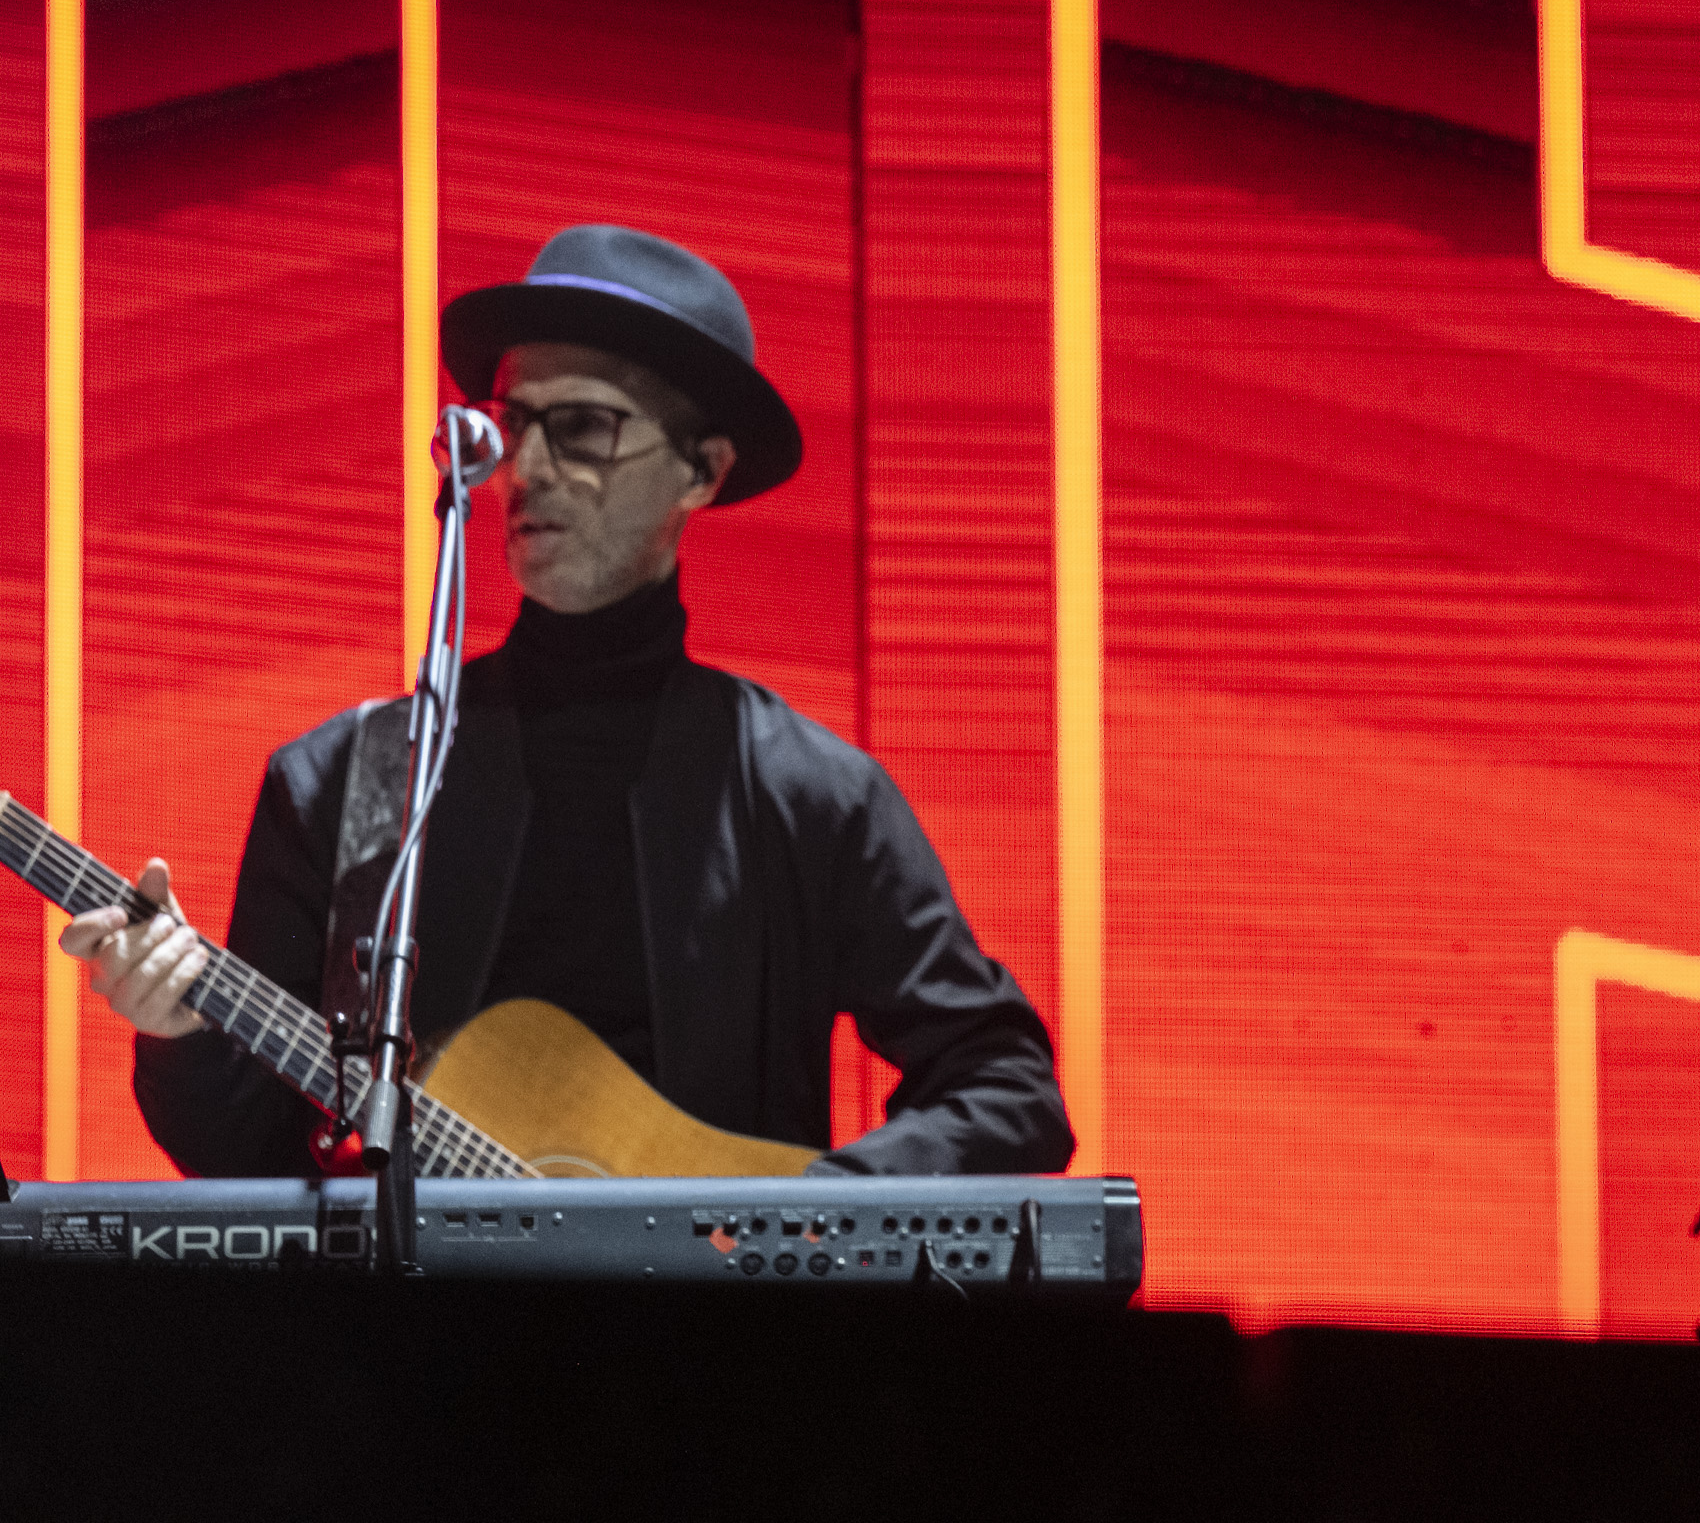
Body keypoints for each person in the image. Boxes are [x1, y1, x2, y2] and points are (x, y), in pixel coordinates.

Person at [63, 225, 1072, 1176]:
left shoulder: (812, 794)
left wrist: (805, 1214)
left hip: (730, 1359)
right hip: (399, 1355)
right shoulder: (345, 780)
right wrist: (183, 1029)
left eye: (582, 425)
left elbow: (1012, 1090)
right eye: (511, 426)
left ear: (701, 470)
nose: (527, 468)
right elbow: (245, 1151)